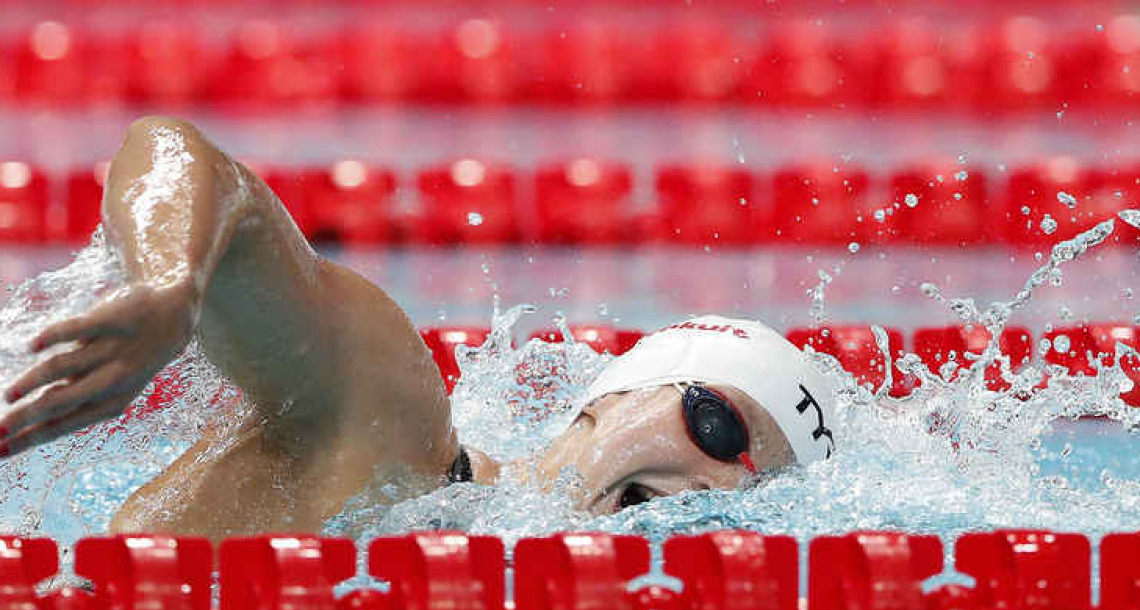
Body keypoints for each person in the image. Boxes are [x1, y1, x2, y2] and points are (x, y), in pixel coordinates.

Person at [0, 117, 835, 541]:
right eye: (715, 423)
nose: (719, 488)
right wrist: (170, 288)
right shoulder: (393, 427)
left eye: (756, 497)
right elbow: (178, 153)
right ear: (608, 401)